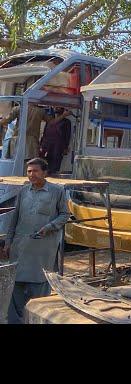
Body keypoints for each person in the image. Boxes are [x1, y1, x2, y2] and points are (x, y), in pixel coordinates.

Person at [1, 158, 70, 324]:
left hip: (42, 250)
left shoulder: (57, 191)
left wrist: (50, 226)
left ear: (44, 173)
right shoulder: (24, 191)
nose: (32, 174)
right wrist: (8, 242)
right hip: (20, 247)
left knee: (38, 291)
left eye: (35, 171)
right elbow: (14, 219)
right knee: (14, 288)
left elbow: (65, 214)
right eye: (29, 171)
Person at [0, 104, 72, 164]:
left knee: (16, 163)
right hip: (32, 142)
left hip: (18, 140)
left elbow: (6, 121)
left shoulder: (18, 109)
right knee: (31, 163)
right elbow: (52, 122)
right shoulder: (40, 111)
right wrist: (64, 115)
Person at [39, 107, 72, 174]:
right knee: (44, 164)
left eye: (59, 107)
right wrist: (41, 144)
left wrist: (65, 147)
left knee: (55, 165)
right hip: (46, 146)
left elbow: (67, 135)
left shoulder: (67, 122)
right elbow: (45, 132)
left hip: (58, 146)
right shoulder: (50, 120)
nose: (56, 108)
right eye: (55, 107)